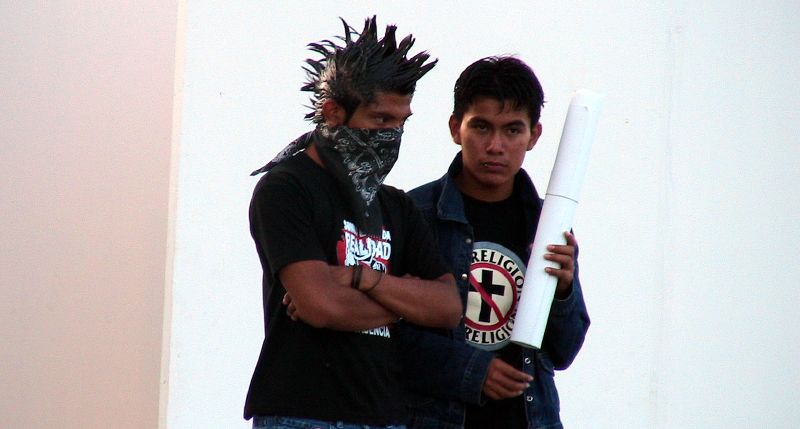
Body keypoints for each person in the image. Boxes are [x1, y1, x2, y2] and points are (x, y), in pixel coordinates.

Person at [244, 17, 462, 429]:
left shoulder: (396, 205)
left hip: (386, 415)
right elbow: (320, 305)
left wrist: (359, 279)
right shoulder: (286, 188)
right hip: (302, 413)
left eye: (402, 122)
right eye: (381, 120)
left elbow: (449, 307)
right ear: (334, 111)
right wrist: (407, 304)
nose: (393, 134)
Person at [398, 56, 590, 429]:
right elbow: (385, 337)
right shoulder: (413, 214)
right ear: (456, 128)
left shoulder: (548, 223)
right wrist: (472, 371)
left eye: (512, 131)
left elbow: (564, 351)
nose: (495, 146)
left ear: (534, 135)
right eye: (482, 127)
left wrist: (563, 291)